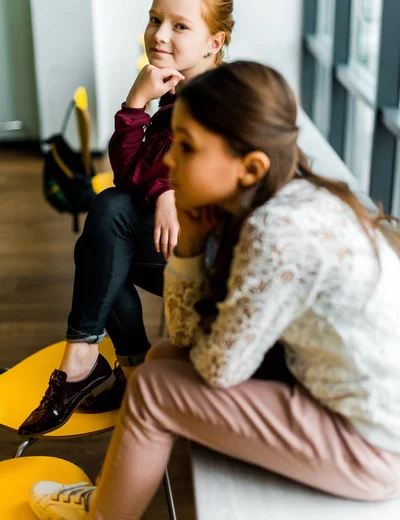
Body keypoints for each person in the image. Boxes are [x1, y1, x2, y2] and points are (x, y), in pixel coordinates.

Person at [29, 61, 400, 520]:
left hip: (371, 447)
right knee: (162, 357)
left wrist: (187, 249)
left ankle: (103, 514)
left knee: (151, 388)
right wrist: (188, 247)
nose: (168, 160)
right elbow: (186, 341)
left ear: (250, 167)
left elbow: (217, 367)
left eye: (186, 148)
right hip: (340, 404)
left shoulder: (276, 230)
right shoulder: (274, 200)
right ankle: (110, 498)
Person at [18, 0, 235, 436]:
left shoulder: (218, 102)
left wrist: (163, 186)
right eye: (155, 19)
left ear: (213, 42)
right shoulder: (175, 89)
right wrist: (136, 105)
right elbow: (132, 170)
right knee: (101, 237)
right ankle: (121, 368)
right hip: (180, 251)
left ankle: (95, 363)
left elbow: (151, 176)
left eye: (180, 25)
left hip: (214, 270)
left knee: (110, 214)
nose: (159, 35)